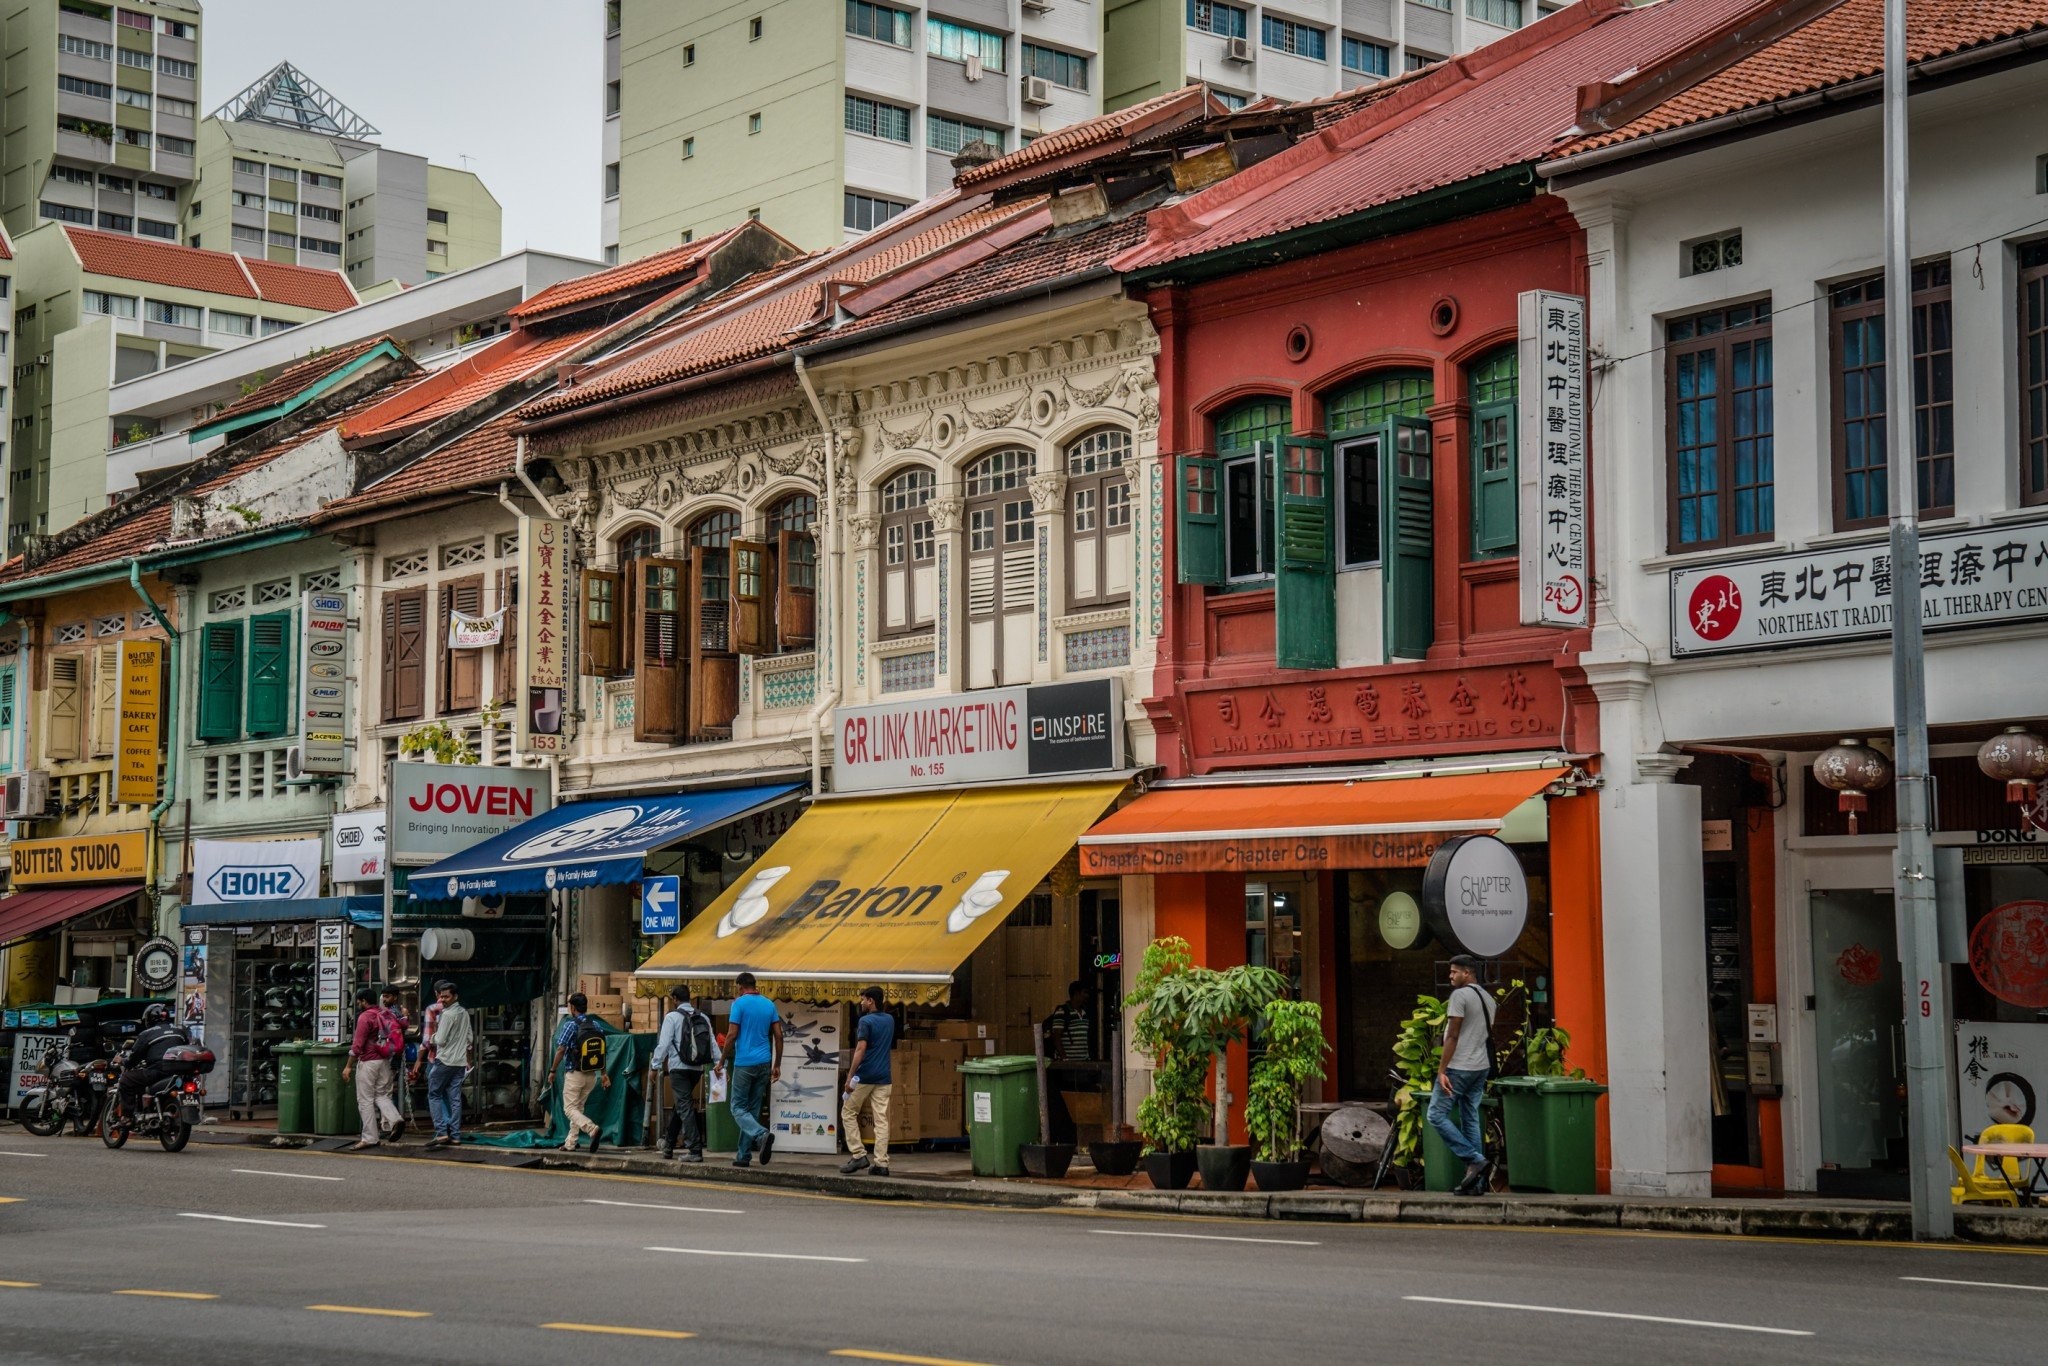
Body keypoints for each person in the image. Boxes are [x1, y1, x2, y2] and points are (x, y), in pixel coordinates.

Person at [1428, 954, 1498, 1196]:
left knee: (1435, 1114)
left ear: (1467, 973)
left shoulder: (1459, 996)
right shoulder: (1488, 998)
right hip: (1481, 1066)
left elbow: (1453, 1035)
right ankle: (1477, 1184)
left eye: (1454, 971)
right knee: (1470, 1118)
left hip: (1459, 1067)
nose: (1450, 976)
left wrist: (1442, 1070)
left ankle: (1474, 1159)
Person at [714, 971, 781, 1168]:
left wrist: (721, 1061)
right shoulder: (769, 1004)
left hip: (745, 1063)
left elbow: (732, 1035)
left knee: (737, 1107)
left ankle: (761, 1135)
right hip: (764, 1062)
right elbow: (779, 1036)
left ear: (740, 986)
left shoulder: (739, 1004)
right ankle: (743, 1155)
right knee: (752, 1109)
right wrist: (777, 1064)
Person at [650, 984, 720, 1161]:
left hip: (679, 1069)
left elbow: (663, 1044)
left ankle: (695, 1150)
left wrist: (654, 1066)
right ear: (690, 998)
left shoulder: (671, 1017)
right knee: (681, 1105)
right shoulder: (702, 1016)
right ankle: (669, 1145)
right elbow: (712, 1043)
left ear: (675, 999)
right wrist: (720, 1064)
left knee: (684, 1107)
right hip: (697, 1069)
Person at [839, 986, 895, 1177]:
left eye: (863, 999)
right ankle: (881, 1163)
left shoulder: (865, 1021)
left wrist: (850, 1076)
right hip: (884, 1077)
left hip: (864, 1076)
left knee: (848, 1112)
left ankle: (858, 1155)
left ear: (871, 1001)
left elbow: (860, 1049)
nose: (861, 1002)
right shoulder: (890, 1020)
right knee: (881, 1120)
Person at [342, 987, 406, 1150]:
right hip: (384, 1061)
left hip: (368, 1062)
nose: (358, 1004)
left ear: (364, 1001)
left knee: (365, 1100)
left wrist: (348, 1066)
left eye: (359, 1001)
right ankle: (395, 1119)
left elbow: (357, 1045)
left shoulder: (365, 1017)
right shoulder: (386, 1013)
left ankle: (370, 1138)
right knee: (381, 1095)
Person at [548, 993, 611, 1153]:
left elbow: (561, 1049)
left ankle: (592, 1129)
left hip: (575, 1074)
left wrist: (553, 1070)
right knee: (578, 1109)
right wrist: (604, 1074)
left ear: (573, 1007)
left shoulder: (570, 1025)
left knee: (569, 1109)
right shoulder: (595, 1025)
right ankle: (570, 1143)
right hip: (591, 1075)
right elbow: (602, 1051)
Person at [420, 980, 473, 1149]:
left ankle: (442, 1132)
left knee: (434, 1095)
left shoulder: (447, 1014)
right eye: (441, 996)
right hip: (460, 1062)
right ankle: (455, 1135)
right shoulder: (464, 1013)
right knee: (455, 1098)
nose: (443, 999)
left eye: (446, 997)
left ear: (455, 996)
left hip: (444, 1060)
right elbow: (470, 1038)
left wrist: (433, 1037)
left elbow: (440, 1040)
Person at [115, 1002, 185, 1126]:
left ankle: (127, 1117)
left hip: (158, 1071)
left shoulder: (146, 1034)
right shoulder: (180, 1031)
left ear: (149, 1019)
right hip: (178, 1071)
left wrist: (125, 1062)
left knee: (126, 1079)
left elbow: (134, 1057)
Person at [1043, 981, 1093, 1145]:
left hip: (1083, 1063)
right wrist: (1064, 1057)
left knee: (1080, 1100)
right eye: (1084, 992)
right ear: (1076, 994)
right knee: (1068, 1101)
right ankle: (1069, 1137)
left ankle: (1079, 1137)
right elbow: (1056, 1035)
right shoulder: (1062, 1012)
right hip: (1068, 1066)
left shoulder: (1084, 1013)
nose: (1086, 996)